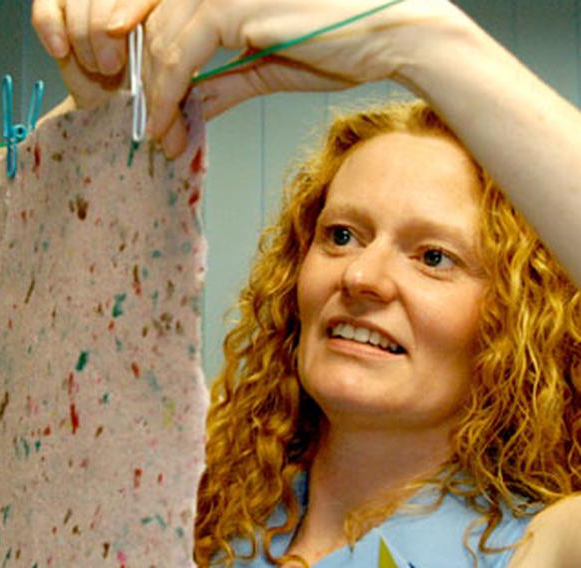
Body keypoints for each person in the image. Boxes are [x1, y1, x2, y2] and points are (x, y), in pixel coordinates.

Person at [31, 1, 581, 566]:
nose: (362, 276)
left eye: (433, 257)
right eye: (342, 236)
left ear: (520, 311)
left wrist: (417, 39)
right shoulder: (192, 501)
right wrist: (100, 123)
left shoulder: (544, 544)